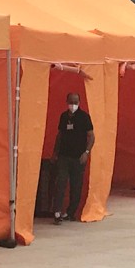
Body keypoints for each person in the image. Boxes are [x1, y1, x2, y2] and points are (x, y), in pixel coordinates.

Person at [51, 92, 94, 224]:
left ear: (79, 103)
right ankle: (57, 212)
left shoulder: (84, 117)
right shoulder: (64, 117)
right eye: (71, 102)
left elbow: (91, 136)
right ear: (67, 101)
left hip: (78, 157)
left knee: (76, 186)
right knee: (61, 183)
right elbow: (60, 135)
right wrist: (55, 152)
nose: (73, 105)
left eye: (75, 102)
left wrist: (86, 152)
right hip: (64, 156)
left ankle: (71, 212)